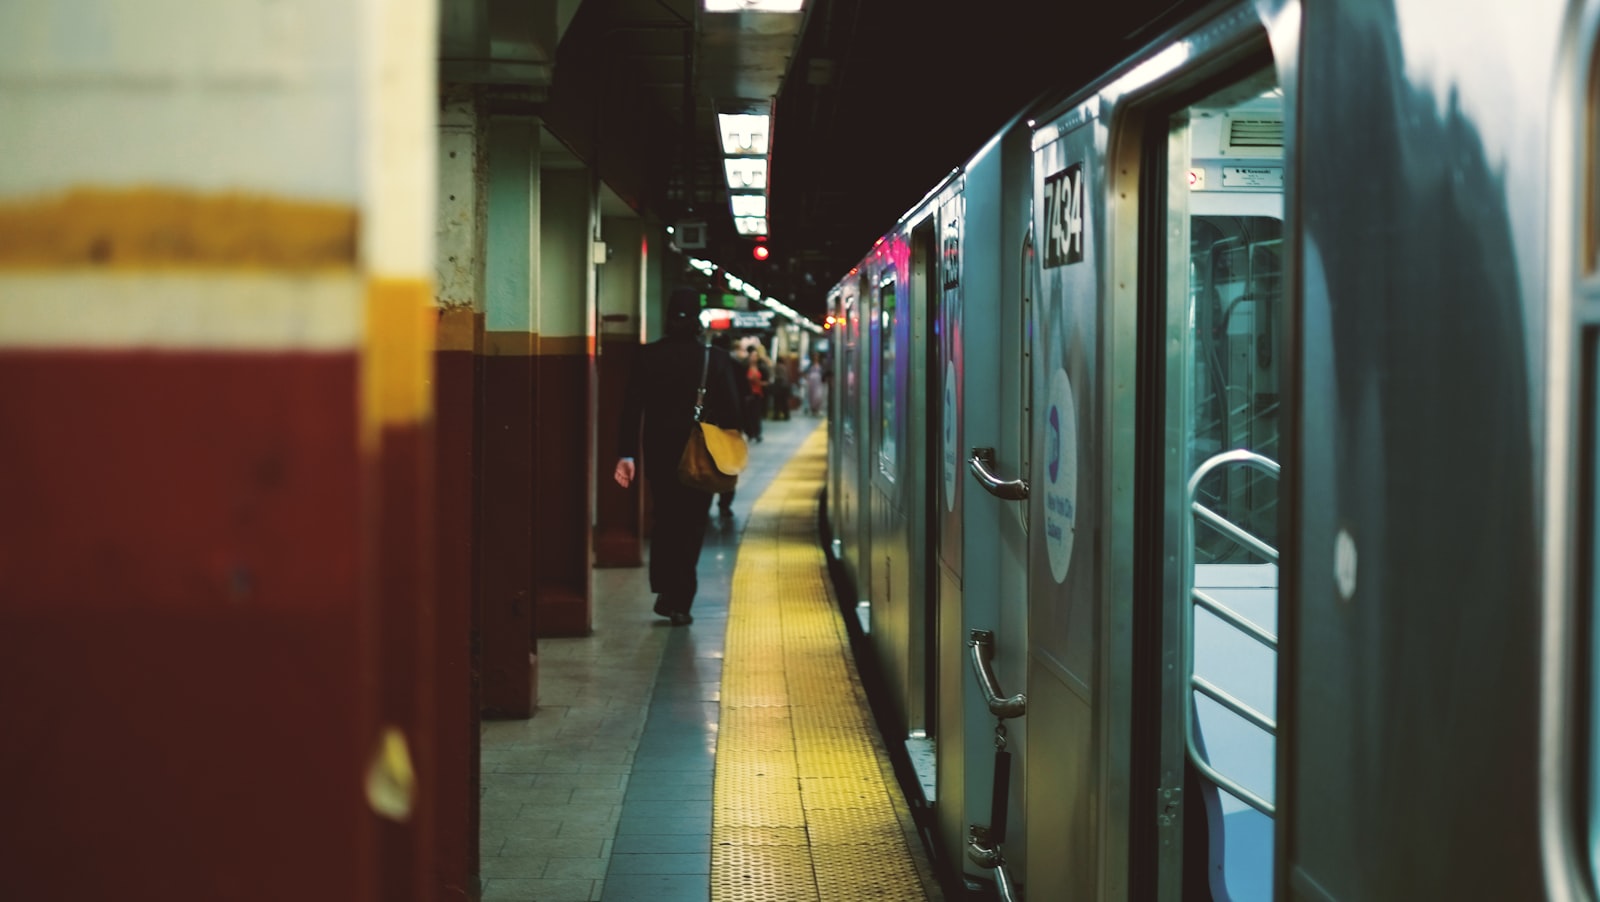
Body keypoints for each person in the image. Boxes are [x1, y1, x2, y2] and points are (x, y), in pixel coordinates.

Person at [613, 287, 743, 625]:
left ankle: (665, 589)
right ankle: (681, 600)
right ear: (699, 320)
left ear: (669, 317)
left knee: (666, 518)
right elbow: (732, 412)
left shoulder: (647, 356)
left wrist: (626, 453)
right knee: (693, 524)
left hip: (659, 452)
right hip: (700, 453)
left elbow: (631, 409)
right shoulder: (714, 359)